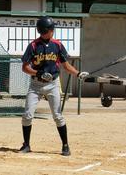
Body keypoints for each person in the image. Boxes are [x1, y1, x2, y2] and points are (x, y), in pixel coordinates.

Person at [19, 16, 89, 156]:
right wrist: (39, 73)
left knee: (57, 116)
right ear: (47, 30)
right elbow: (25, 68)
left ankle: (65, 145)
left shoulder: (57, 45)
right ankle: (26, 145)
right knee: (27, 115)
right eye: (51, 29)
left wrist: (78, 74)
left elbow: (65, 65)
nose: (53, 31)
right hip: (36, 85)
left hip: (52, 84)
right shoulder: (33, 46)